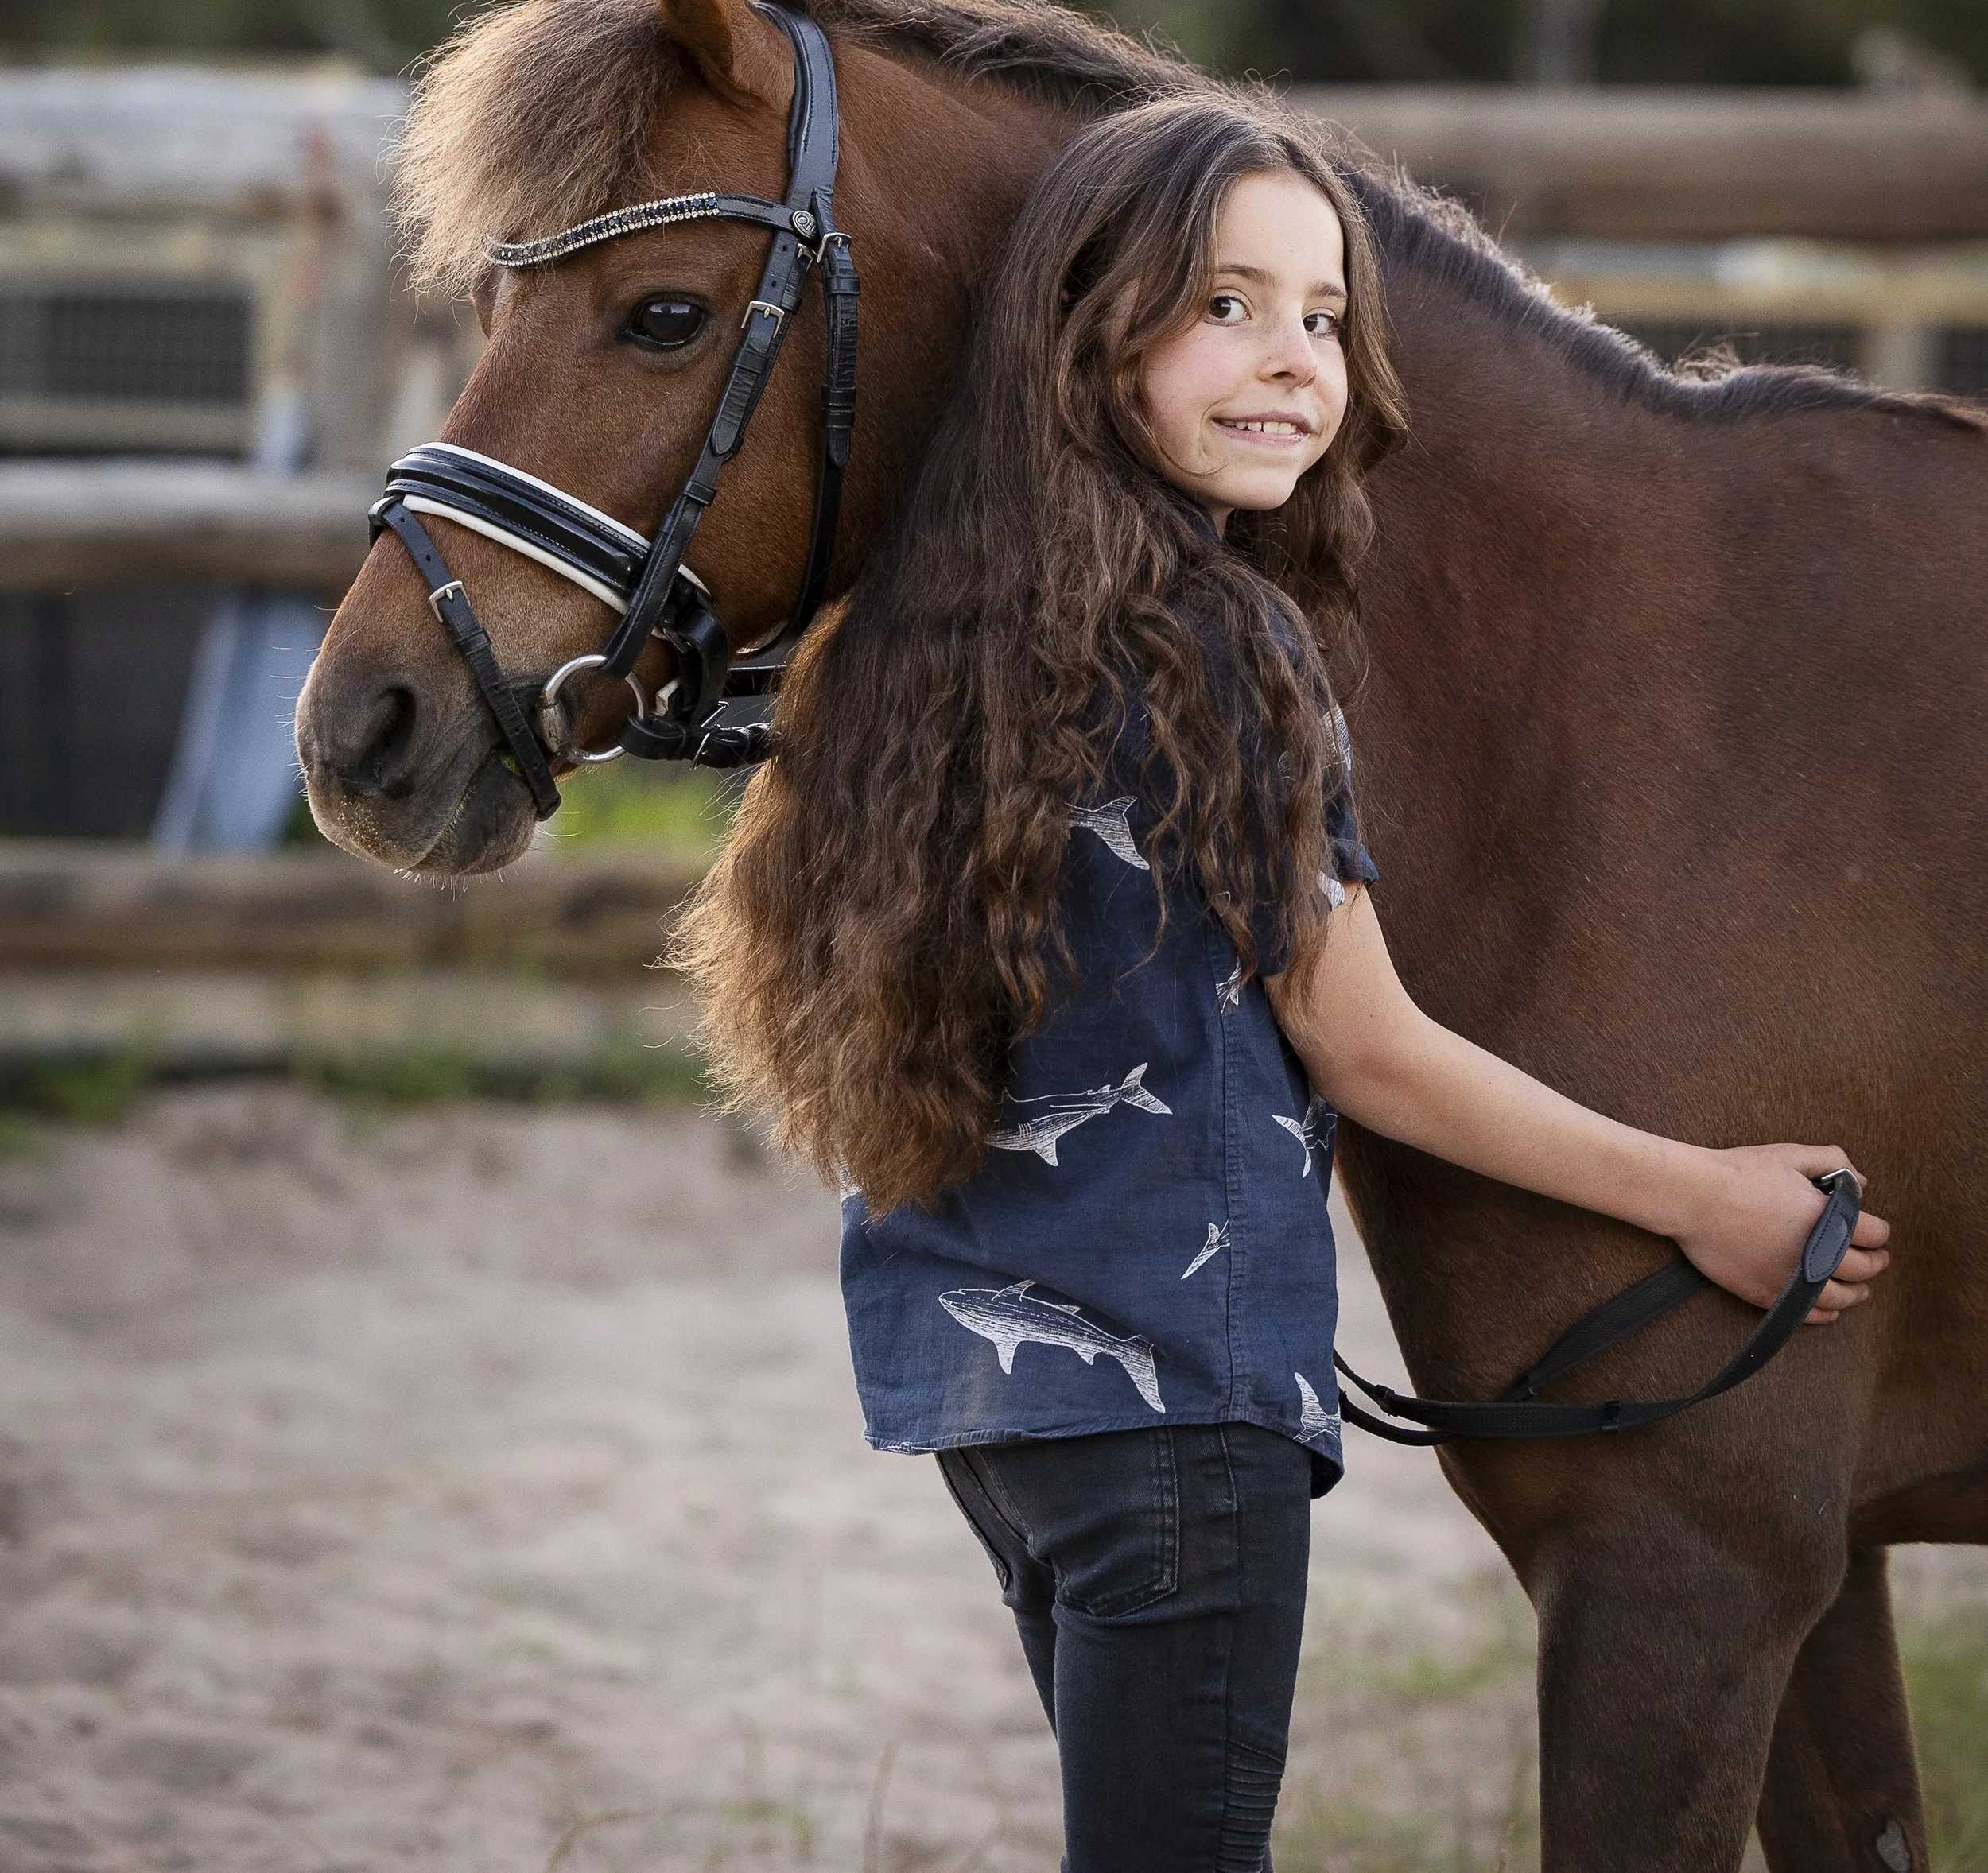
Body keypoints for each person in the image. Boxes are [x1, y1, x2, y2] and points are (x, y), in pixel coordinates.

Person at [678, 95, 1890, 1873]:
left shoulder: (918, 640)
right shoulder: (1227, 645)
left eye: (1321, 315)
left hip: (994, 1413)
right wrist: (1701, 1195)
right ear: (1088, 336)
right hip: (1179, 1414)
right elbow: (1370, 1048)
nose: (1292, 361)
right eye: (1226, 306)